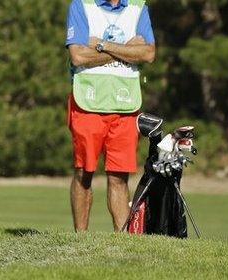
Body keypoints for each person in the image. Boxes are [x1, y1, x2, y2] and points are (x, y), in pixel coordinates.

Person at [64, 0, 156, 232]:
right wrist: (126, 49)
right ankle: (80, 240)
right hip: (88, 104)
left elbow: (148, 53)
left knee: (119, 178)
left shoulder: (138, 7)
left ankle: (121, 242)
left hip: (124, 106)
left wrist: (102, 45)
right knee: (84, 173)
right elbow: (78, 56)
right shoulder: (81, 5)